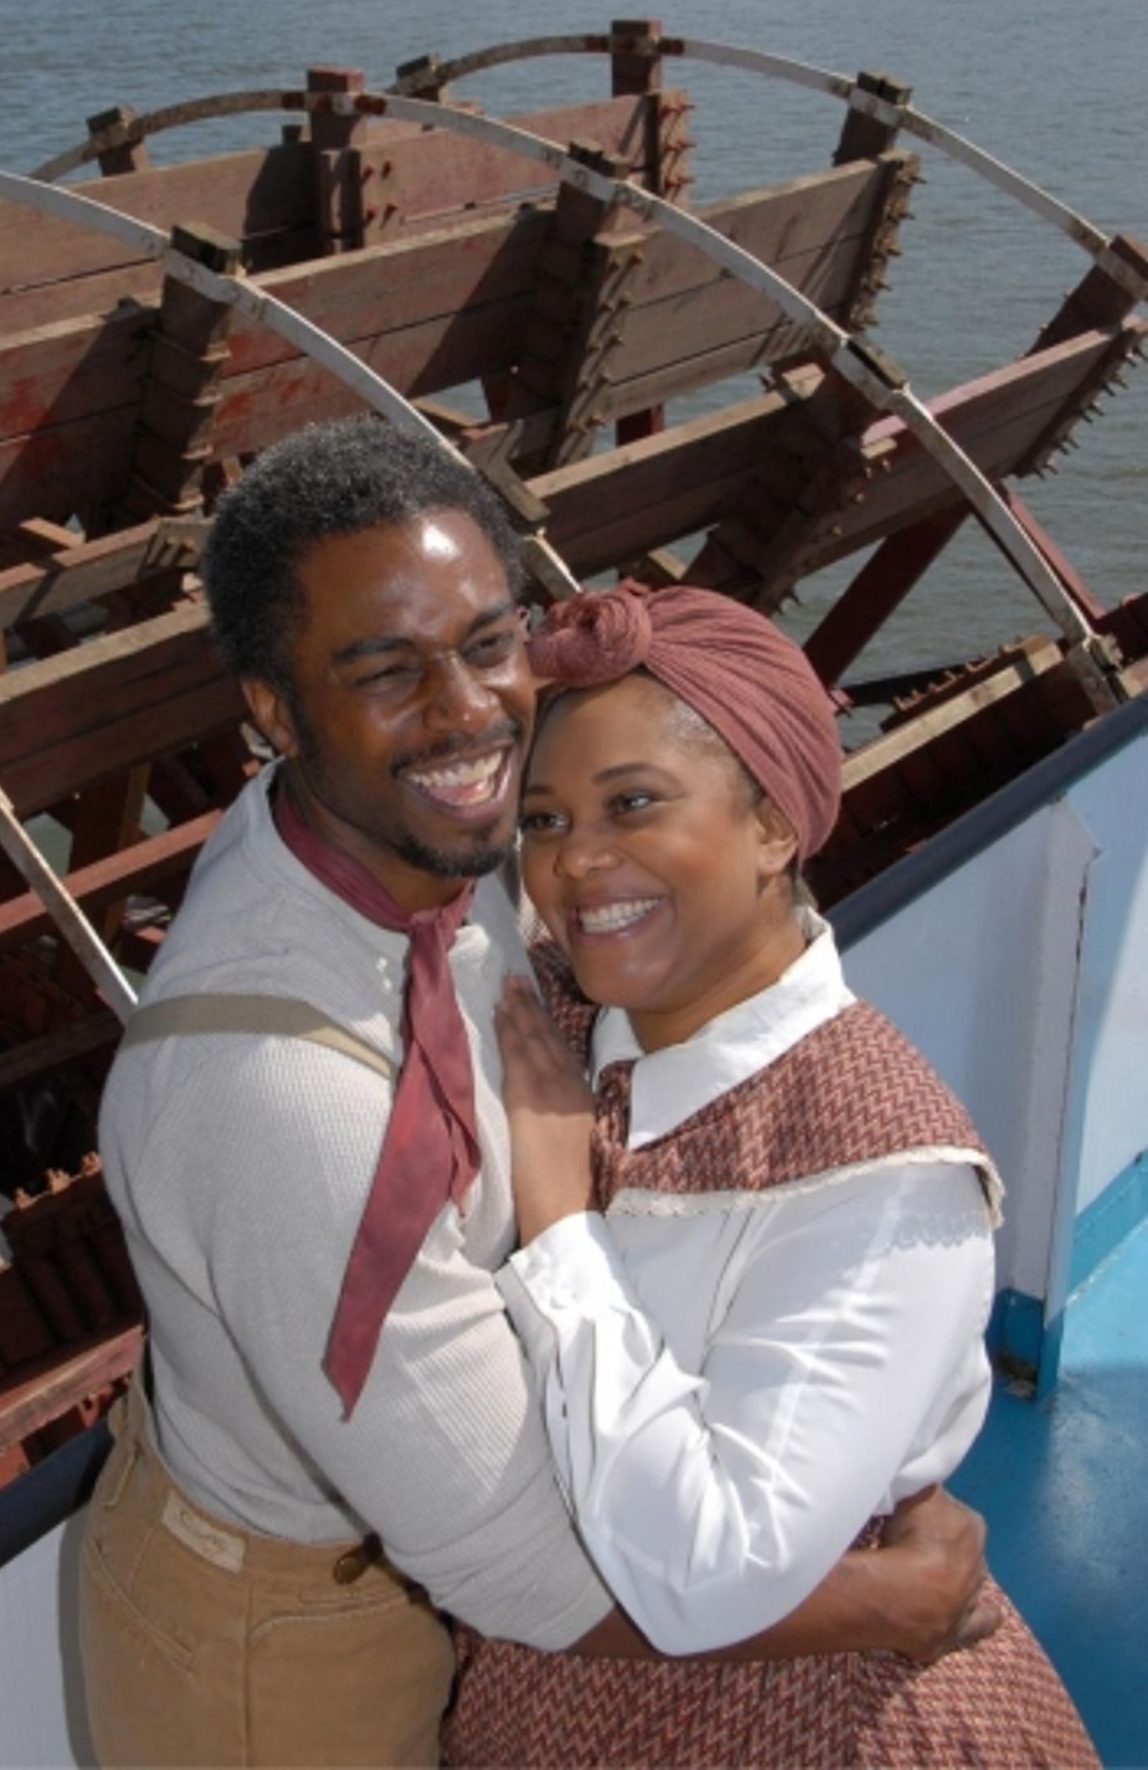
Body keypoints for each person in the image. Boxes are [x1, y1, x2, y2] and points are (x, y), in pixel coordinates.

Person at [78, 419, 996, 1770]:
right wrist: (893, 1599)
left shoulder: (398, 836)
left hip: (429, 1554)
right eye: (385, 669)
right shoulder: (283, 1101)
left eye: (487, 642)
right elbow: (518, 1567)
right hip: (292, 1642)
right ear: (273, 712)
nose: (467, 712)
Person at [443, 579, 1097, 1768]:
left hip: (812, 1716)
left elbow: (710, 1570)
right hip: (548, 1696)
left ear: (771, 826)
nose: (575, 862)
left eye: (631, 802)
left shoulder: (885, 1174)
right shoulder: (554, 1020)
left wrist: (558, 1227)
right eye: (540, 819)